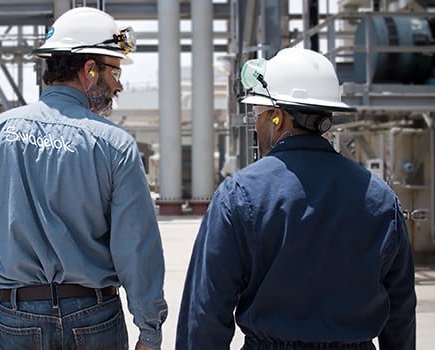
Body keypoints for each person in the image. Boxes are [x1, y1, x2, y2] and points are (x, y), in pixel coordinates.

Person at [176, 48, 416, 349]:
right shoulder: (380, 198)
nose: (256, 124)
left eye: (259, 113)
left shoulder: (240, 194)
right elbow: (401, 310)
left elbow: (207, 311)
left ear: (278, 118)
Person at [0, 7, 167, 350]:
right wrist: (149, 328)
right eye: (114, 71)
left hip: (18, 312)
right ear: (89, 71)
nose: (119, 84)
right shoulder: (114, 145)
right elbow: (136, 248)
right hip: (94, 314)